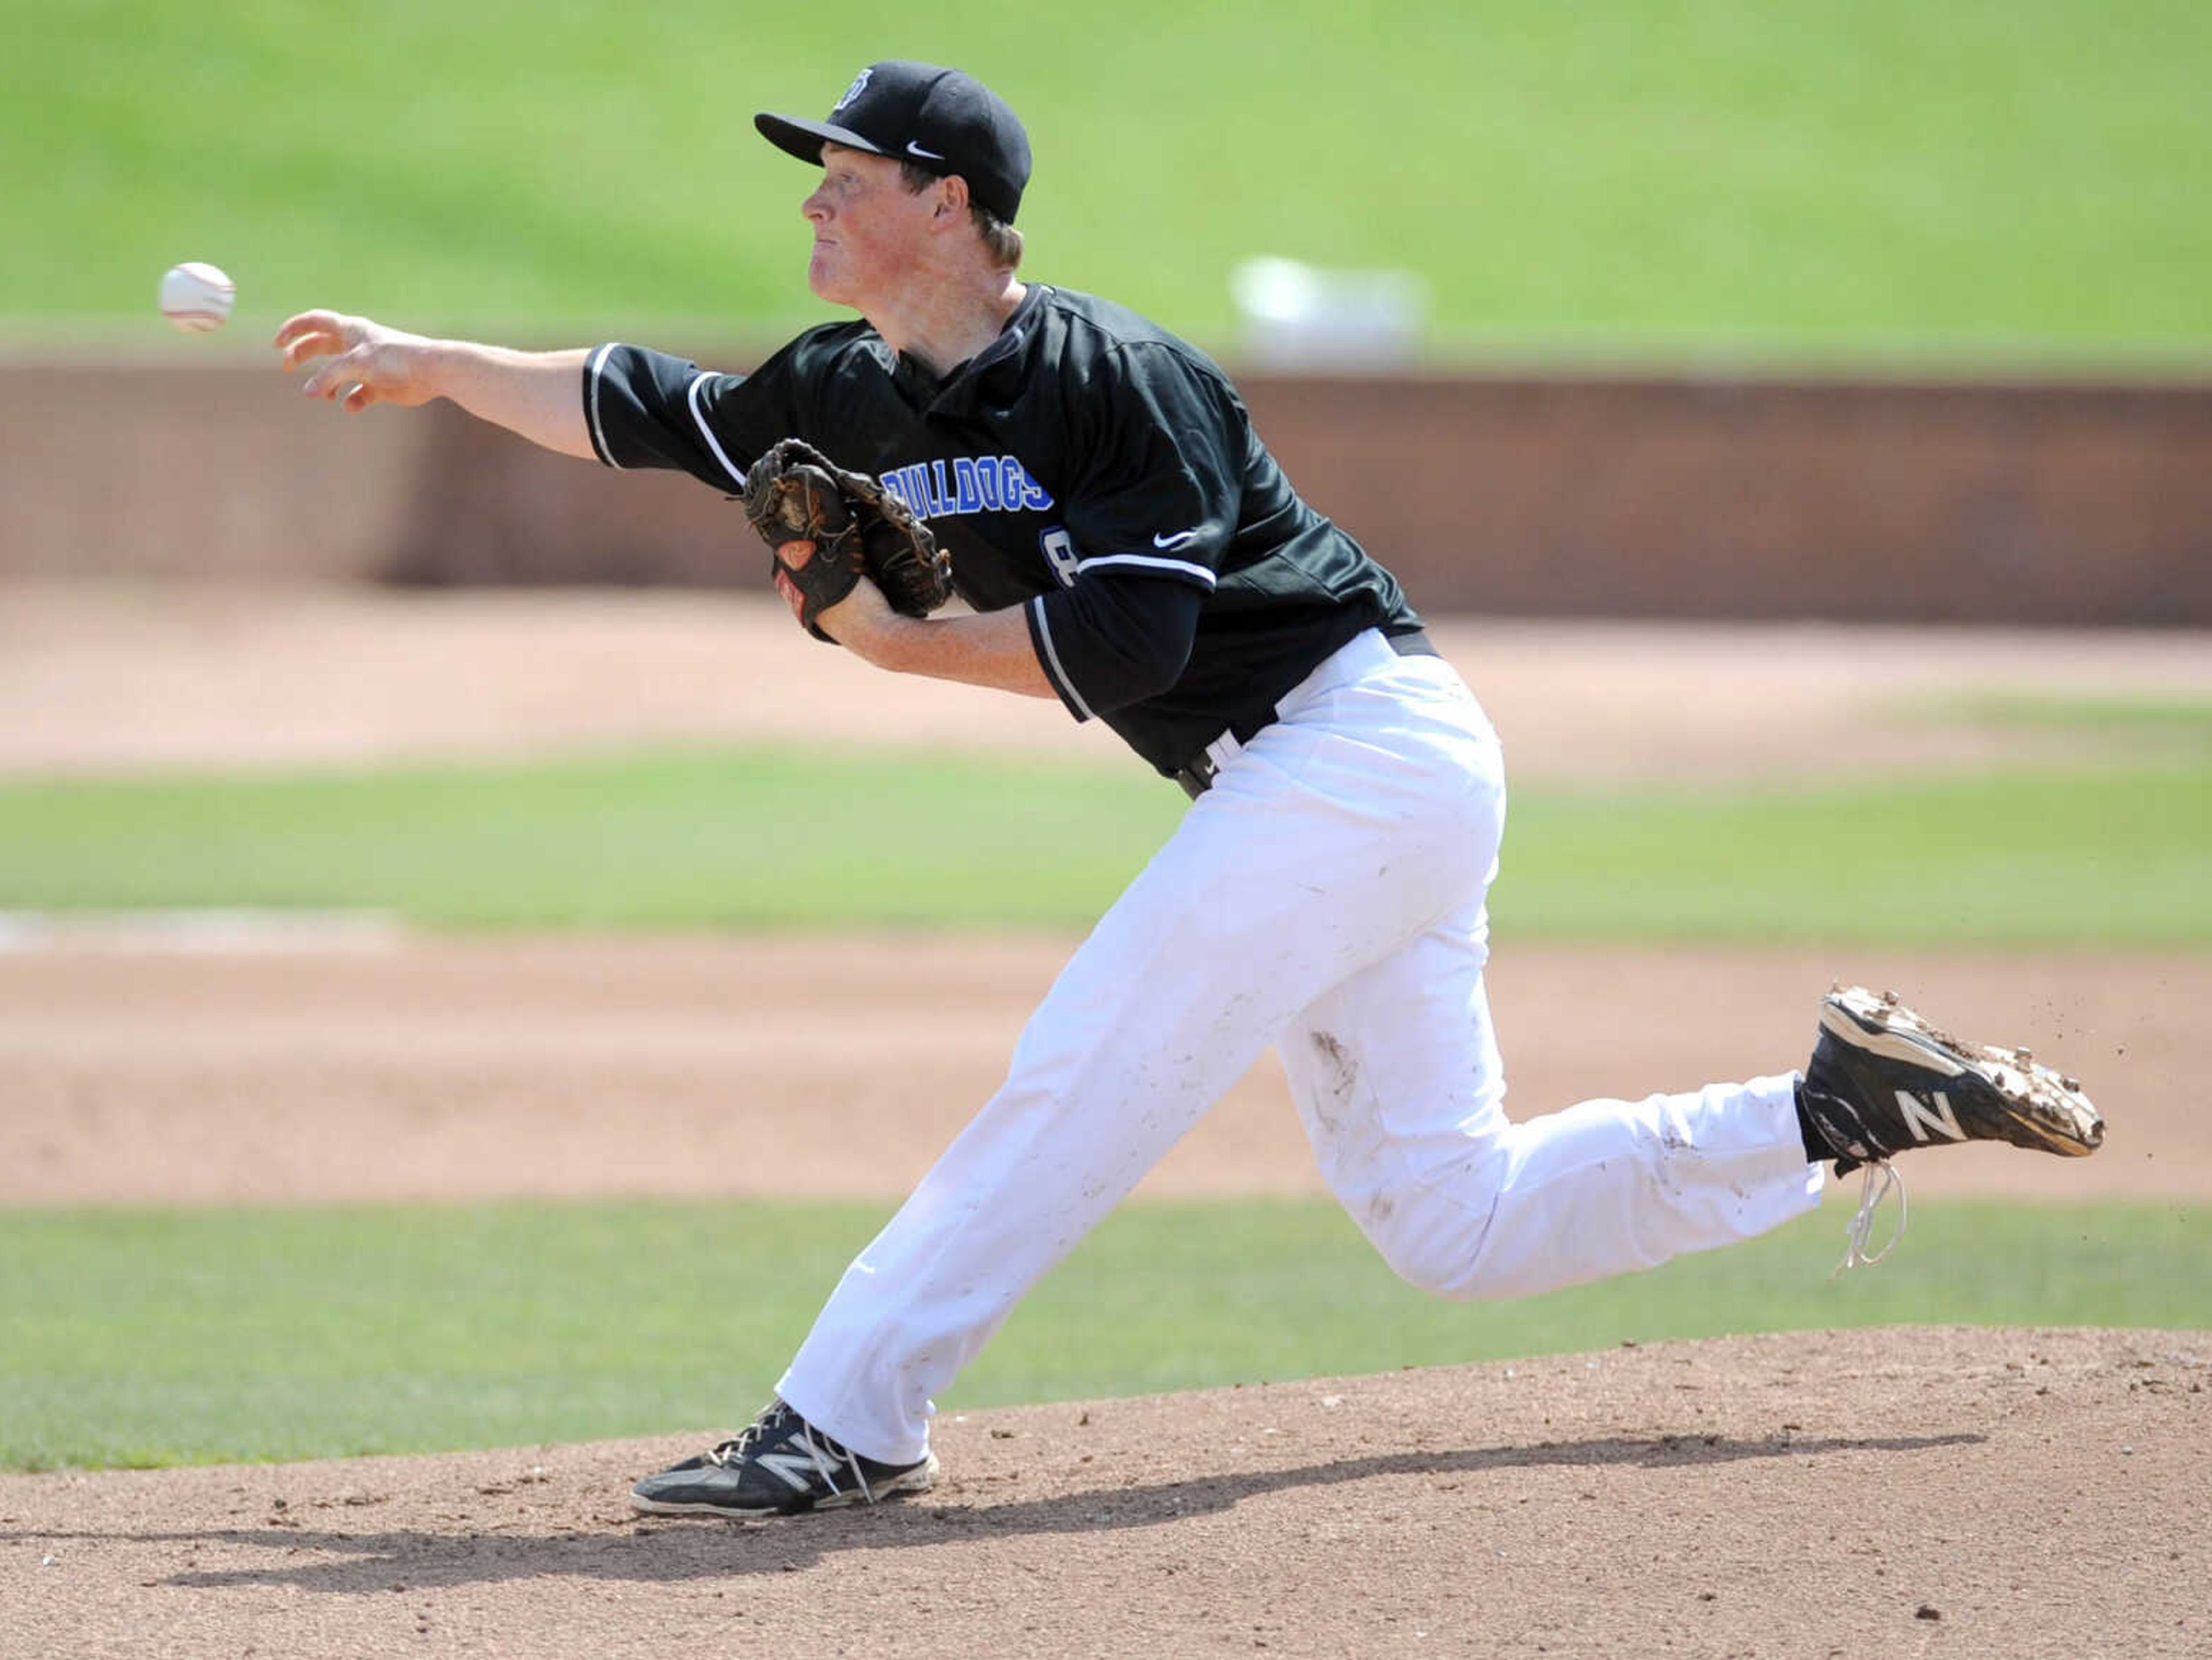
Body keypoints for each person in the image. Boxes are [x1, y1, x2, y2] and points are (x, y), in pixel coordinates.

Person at [278, 61, 2104, 1520]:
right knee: (1446, 1220)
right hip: (1318, 787)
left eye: (852, 166)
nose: (817, 192)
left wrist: (891, 645)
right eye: (814, 165)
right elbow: (640, 408)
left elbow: (1133, 653)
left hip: (1357, 753)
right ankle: (1830, 1111)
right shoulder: (848, 385)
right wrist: (427, 368)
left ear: (954, 206)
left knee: (1094, 1051)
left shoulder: (1117, 380)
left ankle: (845, 1421)